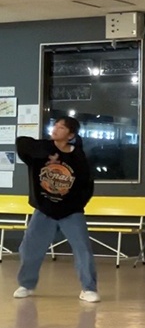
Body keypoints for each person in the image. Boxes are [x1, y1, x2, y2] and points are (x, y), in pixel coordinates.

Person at [13, 116, 100, 302]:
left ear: (71, 135)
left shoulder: (78, 156)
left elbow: (86, 184)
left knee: (83, 249)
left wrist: (77, 205)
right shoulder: (41, 150)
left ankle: (89, 289)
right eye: (56, 126)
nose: (56, 129)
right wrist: (49, 147)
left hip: (71, 212)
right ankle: (26, 285)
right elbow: (21, 143)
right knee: (30, 248)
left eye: (62, 128)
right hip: (45, 210)